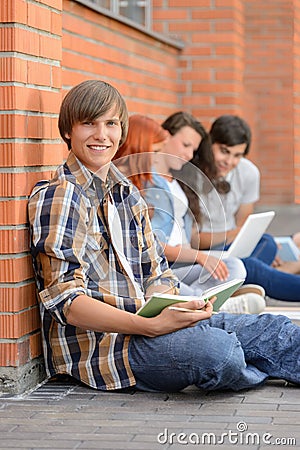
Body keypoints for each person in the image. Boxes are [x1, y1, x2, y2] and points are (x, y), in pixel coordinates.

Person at [28, 80, 300, 393]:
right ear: (68, 131)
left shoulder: (127, 194)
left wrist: (178, 307)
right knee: (219, 352)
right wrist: (147, 325)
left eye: (111, 124)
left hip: (155, 325)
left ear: (122, 130)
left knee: (275, 329)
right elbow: (67, 302)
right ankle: (258, 362)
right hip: (108, 349)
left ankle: (255, 359)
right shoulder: (62, 197)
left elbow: (156, 271)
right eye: (89, 123)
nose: (101, 135)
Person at [116, 112, 265, 314]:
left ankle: (206, 301)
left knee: (236, 266)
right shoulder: (137, 184)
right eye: (185, 145)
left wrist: (201, 255)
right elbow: (146, 245)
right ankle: (212, 304)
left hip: (178, 261)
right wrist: (199, 255)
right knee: (167, 284)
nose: (188, 155)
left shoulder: (172, 179)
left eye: (193, 149)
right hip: (159, 266)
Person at [188, 114, 300, 301]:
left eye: (237, 155)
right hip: (202, 252)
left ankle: (241, 288)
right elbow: (193, 241)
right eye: (224, 151)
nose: (229, 161)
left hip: (231, 246)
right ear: (210, 143)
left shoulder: (248, 172)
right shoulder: (193, 175)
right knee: (251, 266)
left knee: (267, 243)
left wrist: (241, 234)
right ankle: (277, 272)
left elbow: (244, 225)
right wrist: (235, 233)